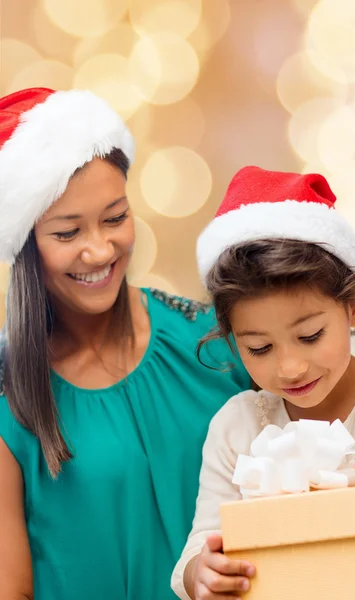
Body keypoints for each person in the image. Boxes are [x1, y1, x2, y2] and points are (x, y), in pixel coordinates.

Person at [0, 88, 251, 600]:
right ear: (24, 246)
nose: (100, 250)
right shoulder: (9, 401)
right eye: (68, 233)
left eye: (115, 218)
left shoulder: (209, 342)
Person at [171, 167, 355, 600]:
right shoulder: (237, 428)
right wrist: (202, 572)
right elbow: (199, 550)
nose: (290, 368)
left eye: (310, 336)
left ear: (353, 307)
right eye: (259, 348)